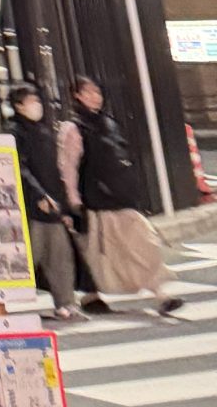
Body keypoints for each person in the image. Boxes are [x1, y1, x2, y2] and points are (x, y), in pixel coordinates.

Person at [60, 75, 181, 316]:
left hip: (120, 197)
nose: (95, 97)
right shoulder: (73, 128)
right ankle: (92, 295)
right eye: (88, 92)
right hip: (96, 201)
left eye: (97, 92)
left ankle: (159, 293)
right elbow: (68, 167)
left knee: (142, 244)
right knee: (99, 253)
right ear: (77, 96)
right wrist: (73, 200)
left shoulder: (108, 123)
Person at [7, 83, 78, 320]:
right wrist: (39, 194)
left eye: (37, 101)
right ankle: (6, 301)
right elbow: (20, 168)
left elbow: (54, 170)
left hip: (52, 203)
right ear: (18, 106)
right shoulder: (14, 133)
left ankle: (66, 303)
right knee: (31, 255)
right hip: (32, 205)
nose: (36, 106)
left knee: (60, 256)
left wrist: (63, 205)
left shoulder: (43, 131)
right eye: (31, 101)